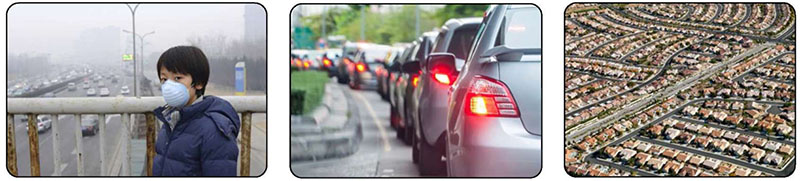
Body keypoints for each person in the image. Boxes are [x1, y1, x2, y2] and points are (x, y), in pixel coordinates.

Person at [152, 46, 241, 176]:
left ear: (199, 82)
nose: (168, 86)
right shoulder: (172, 120)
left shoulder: (214, 131)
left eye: (177, 78)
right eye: (164, 79)